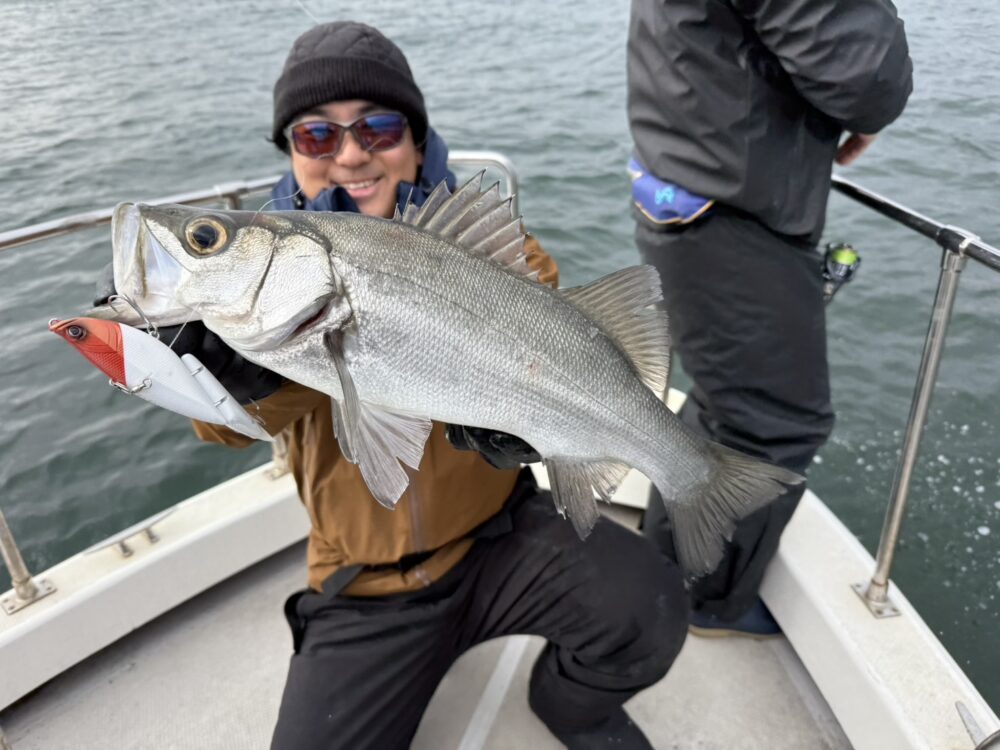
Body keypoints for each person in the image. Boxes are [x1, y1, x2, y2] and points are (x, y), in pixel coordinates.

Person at [105, 22, 688, 750]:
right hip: (364, 587)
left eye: (377, 128)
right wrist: (229, 373)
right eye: (317, 135)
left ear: (416, 139)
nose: (351, 154)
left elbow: (564, 351)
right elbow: (224, 429)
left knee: (652, 607)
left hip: (502, 534)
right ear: (292, 153)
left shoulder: (499, 250)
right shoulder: (250, 305)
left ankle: (572, 708)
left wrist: (534, 426)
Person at [626, 0, 913, 636]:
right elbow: (863, 73)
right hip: (734, 207)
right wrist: (868, 110)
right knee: (775, 424)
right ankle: (704, 599)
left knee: (727, 403)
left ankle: (666, 565)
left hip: (691, 185)